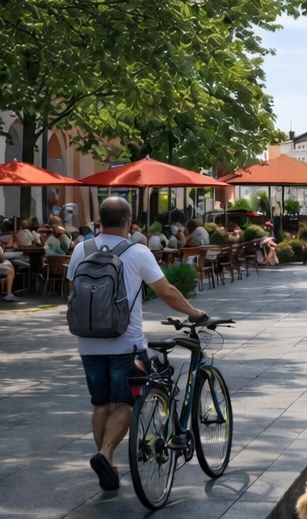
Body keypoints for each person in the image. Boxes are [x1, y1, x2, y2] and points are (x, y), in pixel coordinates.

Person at [67, 195, 208, 492]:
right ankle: (105, 453)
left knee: (101, 403)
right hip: (125, 344)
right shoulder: (137, 251)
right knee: (127, 402)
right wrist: (193, 313)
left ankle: (108, 461)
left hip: (88, 342)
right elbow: (166, 290)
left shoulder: (81, 249)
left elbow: (74, 292)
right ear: (129, 223)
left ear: (99, 222)